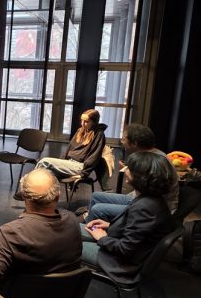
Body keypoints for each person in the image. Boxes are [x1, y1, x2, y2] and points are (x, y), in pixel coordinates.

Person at [82, 151, 175, 286]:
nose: (125, 170)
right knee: (72, 231)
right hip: (115, 244)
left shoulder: (145, 207)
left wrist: (102, 238)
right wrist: (109, 225)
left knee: (69, 244)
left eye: (129, 169)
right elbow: (138, 233)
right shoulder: (152, 199)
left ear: (141, 177)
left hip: (118, 263)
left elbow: (125, 250)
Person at [81, 123, 179, 222]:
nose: (122, 142)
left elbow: (151, 195)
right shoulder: (148, 155)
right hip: (140, 199)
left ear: (134, 143)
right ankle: (89, 222)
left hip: (153, 209)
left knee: (98, 209)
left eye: (124, 139)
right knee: (96, 196)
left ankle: (90, 227)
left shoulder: (155, 161)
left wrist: (131, 174)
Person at [35, 108, 106, 180]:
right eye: (82, 120)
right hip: (69, 163)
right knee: (46, 171)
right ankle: (37, 186)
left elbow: (94, 156)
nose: (82, 124)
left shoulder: (99, 134)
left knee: (43, 162)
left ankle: (31, 185)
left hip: (80, 166)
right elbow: (70, 148)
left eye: (86, 122)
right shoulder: (80, 131)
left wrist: (84, 174)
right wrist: (62, 161)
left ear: (94, 122)